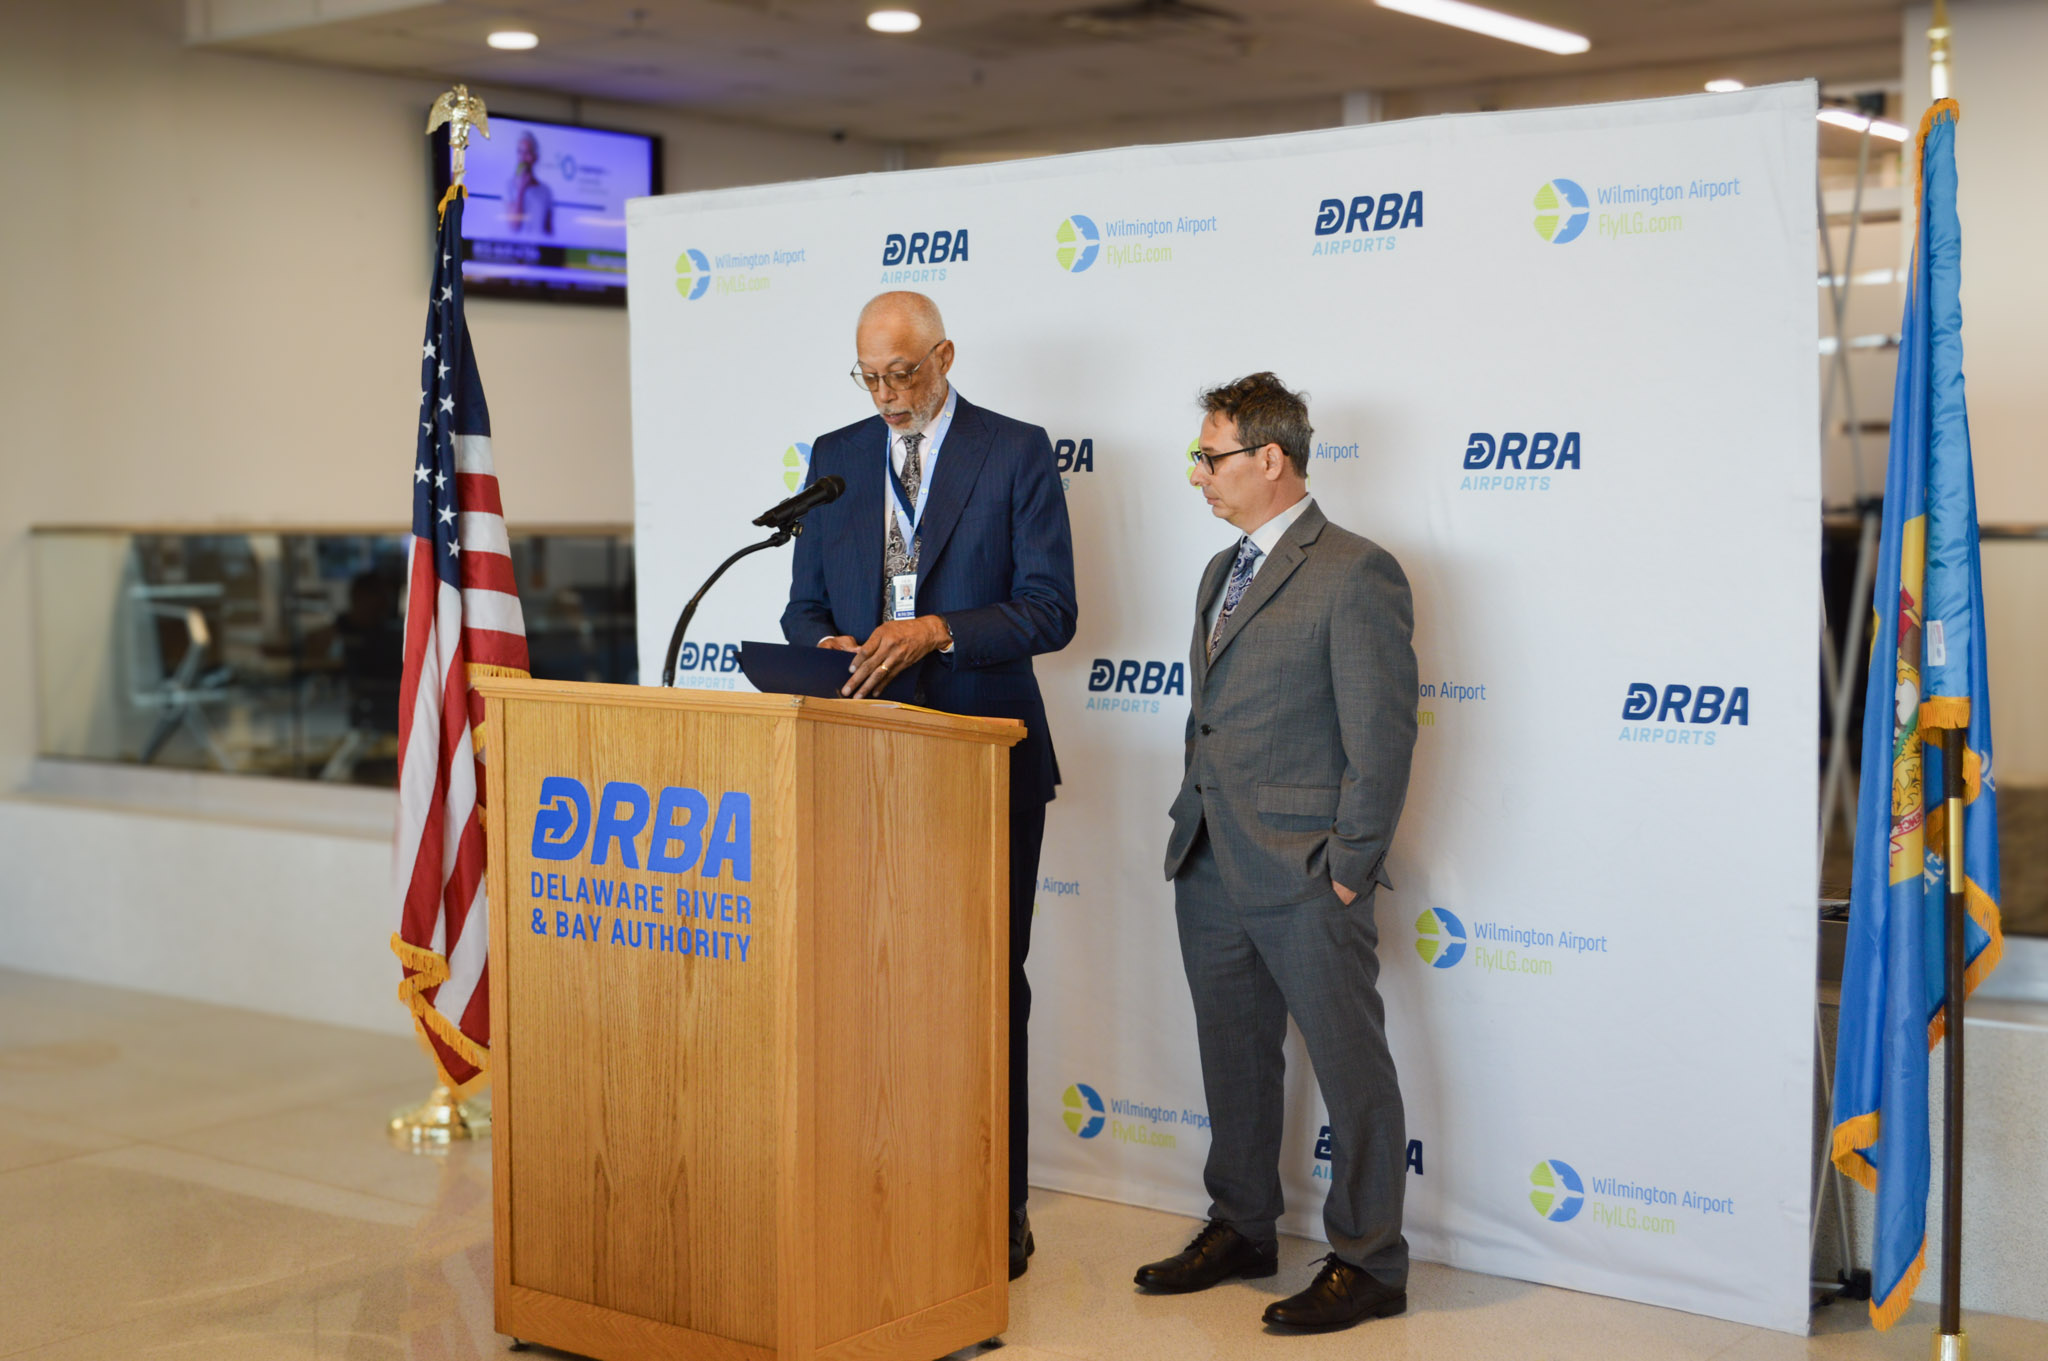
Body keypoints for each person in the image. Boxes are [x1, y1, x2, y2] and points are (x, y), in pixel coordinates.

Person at [780, 291, 1077, 1279]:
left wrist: (936, 629)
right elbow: (803, 605)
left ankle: (998, 1206)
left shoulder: (1014, 448)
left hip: (982, 756)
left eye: (903, 373)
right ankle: (884, 1184)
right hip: (860, 756)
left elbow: (1049, 609)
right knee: (869, 990)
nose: (886, 394)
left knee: (986, 985)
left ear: (944, 355)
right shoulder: (836, 453)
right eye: (868, 375)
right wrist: (822, 640)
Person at [1136, 372, 1417, 1331]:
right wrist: (1191, 819)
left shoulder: (1356, 569)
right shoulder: (1220, 571)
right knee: (1234, 1057)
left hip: (1306, 871)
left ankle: (1372, 1261)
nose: (1198, 477)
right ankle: (1244, 1224)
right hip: (1209, 858)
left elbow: (1381, 738)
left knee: (1352, 1067)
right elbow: (1208, 719)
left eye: (1210, 458)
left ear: (1270, 458)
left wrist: (1348, 861)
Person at [502, 130, 554, 236]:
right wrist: (520, 190)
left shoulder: (546, 190)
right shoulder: (509, 187)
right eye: (520, 152)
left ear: (535, 157)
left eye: (527, 152)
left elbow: (549, 230)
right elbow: (514, 226)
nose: (523, 158)